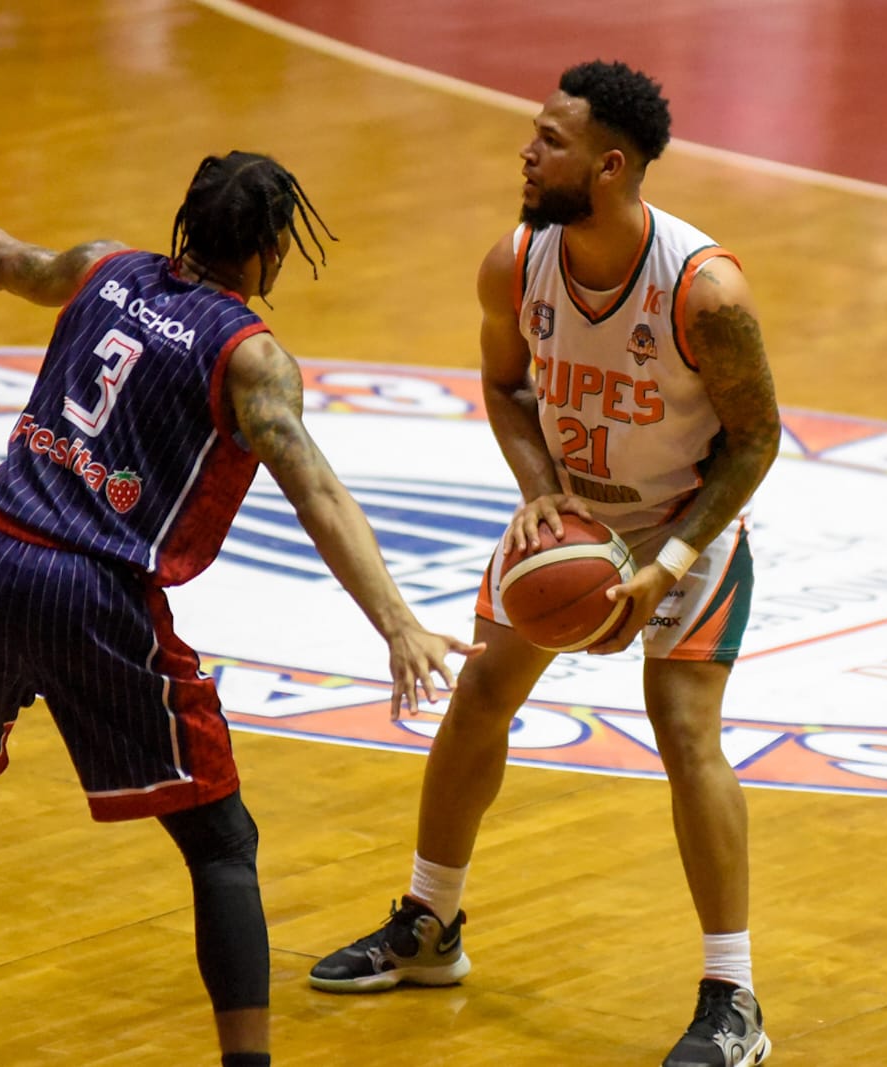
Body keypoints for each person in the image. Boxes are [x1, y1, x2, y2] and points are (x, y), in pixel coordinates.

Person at [0, 130, 481, 1067]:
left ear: (186, 223)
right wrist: (399, 621)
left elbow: (1, 258)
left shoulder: (102, 268)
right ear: (273, 251)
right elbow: (318, 490)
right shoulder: (252, 359)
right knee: (220, 841)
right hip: (93, 592)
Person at [308, 61, 782, 1067]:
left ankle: (732, 997)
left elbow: (755, 441)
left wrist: (674, 557)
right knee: (481, 690)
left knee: (685, 731)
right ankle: (429, 924)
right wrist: (539, 492)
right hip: (569, 523)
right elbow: (504, 385)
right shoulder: (514, 261)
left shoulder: (705, 289)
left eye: (549, 141)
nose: (526, 152)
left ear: (609, 166)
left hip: (683, 525)